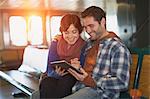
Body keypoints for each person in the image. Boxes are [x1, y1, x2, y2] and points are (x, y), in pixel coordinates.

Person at [63, 6, 132, 99]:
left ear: (103, 22)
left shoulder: (117, 48)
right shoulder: (88, 43)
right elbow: (87, 72)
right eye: (85, 27)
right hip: (79, 88)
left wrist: (91, 81)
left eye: (91, 26)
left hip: (100, 93)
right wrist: (77, 68)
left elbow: (122, 82)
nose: (88, 31)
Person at [39, 14, 85, 98]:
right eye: (66, 33)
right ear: (62, 32)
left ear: (79, 31)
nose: (70, 36)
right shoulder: (56, 43)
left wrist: (78, 68)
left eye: (74, 32)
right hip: (55, 76)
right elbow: (49, 67)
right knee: (46, 82)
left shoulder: (84, 46)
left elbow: (84, 70)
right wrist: (56, 74)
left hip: (73, 77)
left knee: (66, 81)